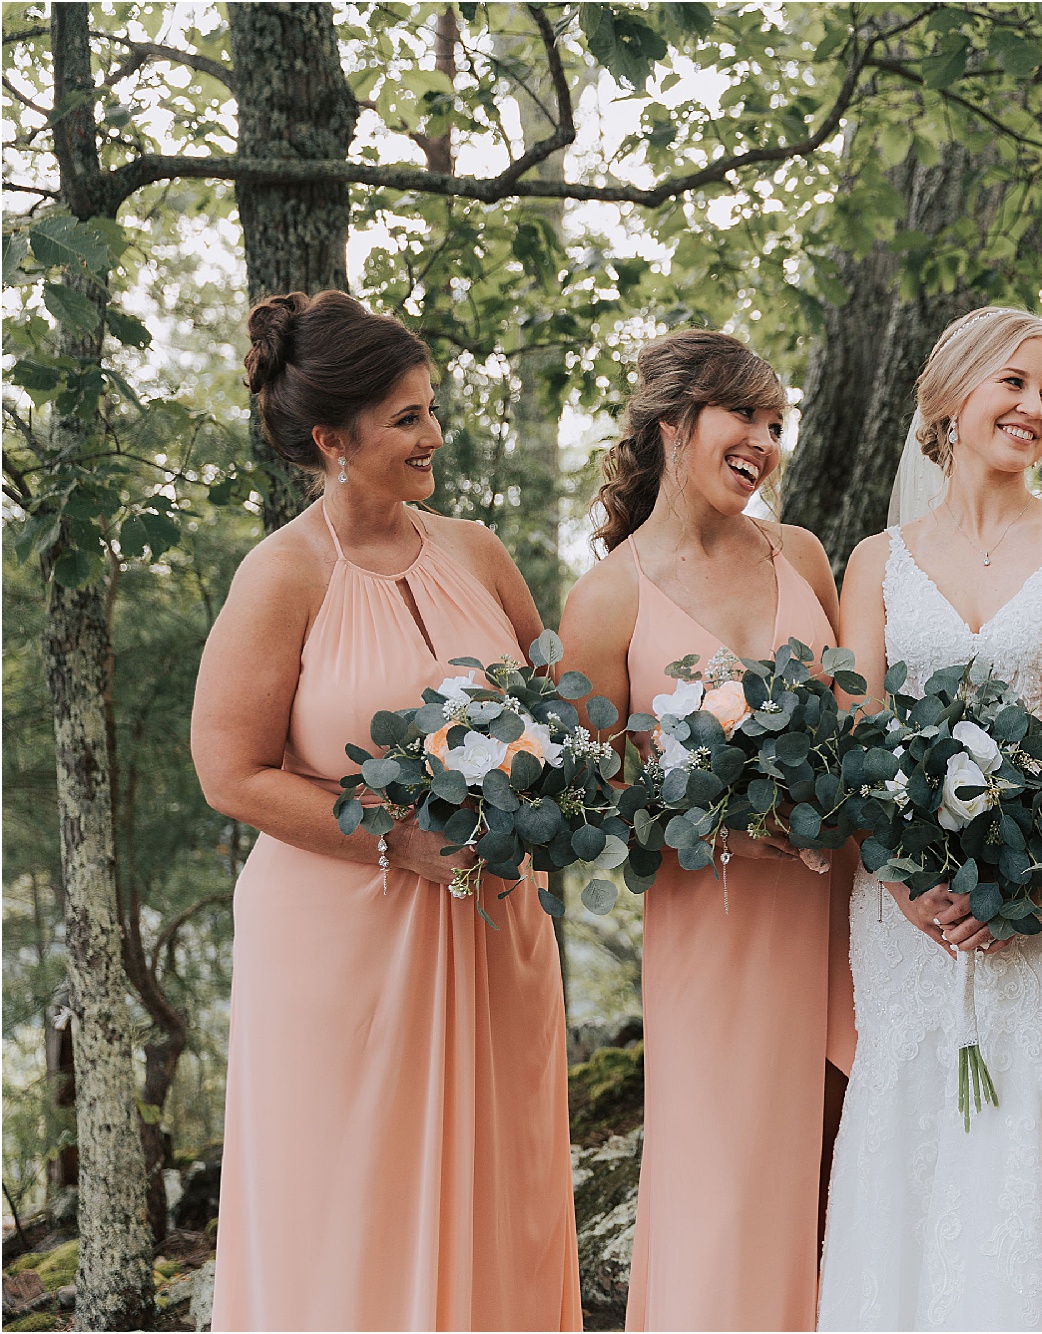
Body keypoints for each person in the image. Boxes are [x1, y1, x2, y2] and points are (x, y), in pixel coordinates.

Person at [191, 290, 580, 1330]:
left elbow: (554, 707)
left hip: (494, 932)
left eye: (429, 409)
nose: (432, 435)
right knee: (348, 1204)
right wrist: (392, 836)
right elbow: (229, 772)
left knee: (506, 1184)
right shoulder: (281, 575)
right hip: (340, 953)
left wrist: (549, 786)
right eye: (406, 416)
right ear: (332, 437)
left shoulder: (477, 550)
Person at [818, 306, 1042, 1331]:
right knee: (904, 1114)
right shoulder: (875, 558)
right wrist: (909, 875)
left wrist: (1023, 879)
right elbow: (855, 739)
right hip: (900, 912)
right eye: (1014, 383)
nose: (1034, 408)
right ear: (950, 397)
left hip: (1041, 909)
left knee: (1026, 1121)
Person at [556, 329, 841, 1331]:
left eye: (775, 424)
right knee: (726, 1174)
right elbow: (586, 791)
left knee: (839, 1157)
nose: (763, 442)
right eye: (744, 417)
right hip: (713, 921)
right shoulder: (605, 599)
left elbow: (853, 717)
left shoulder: (798, 553)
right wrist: (707, 820)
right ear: (674, 424)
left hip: (834, 900)